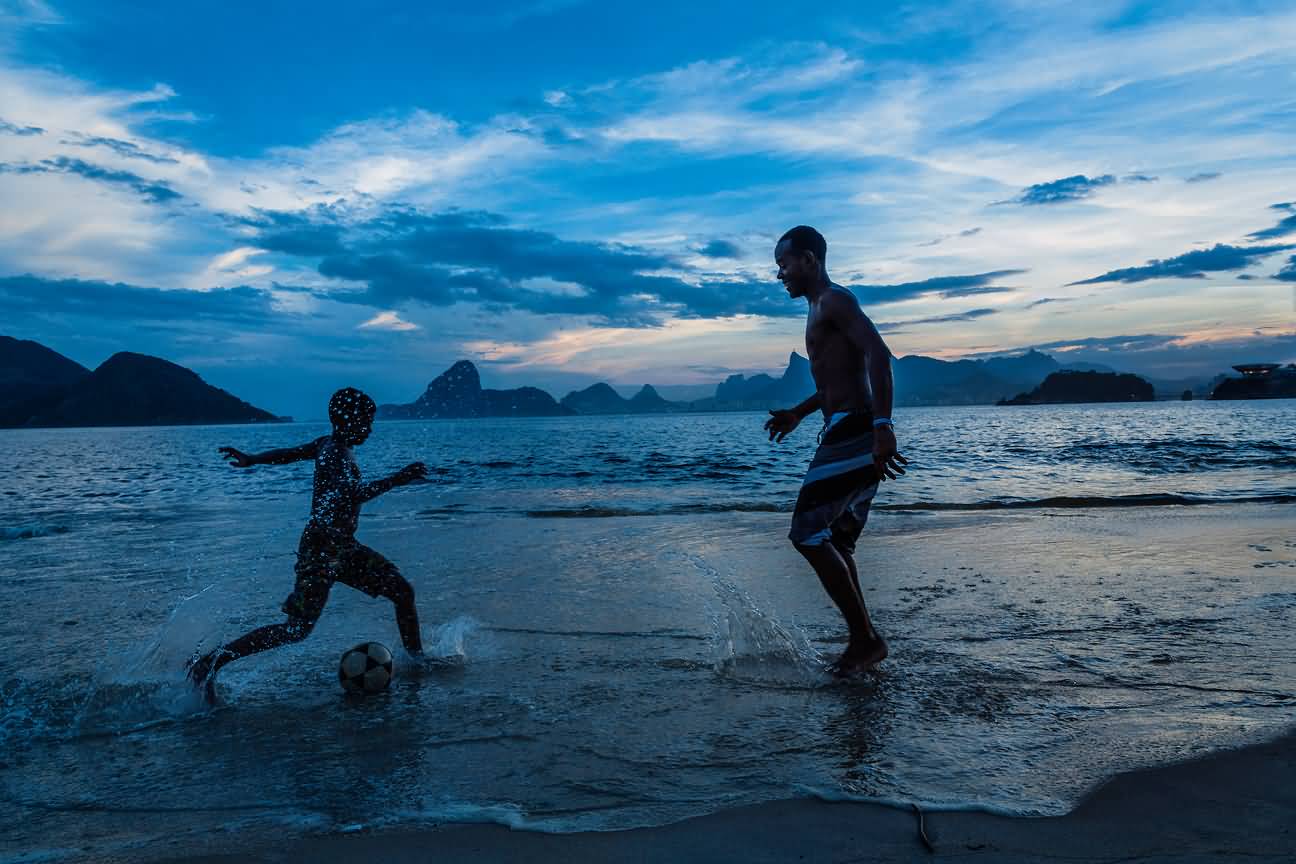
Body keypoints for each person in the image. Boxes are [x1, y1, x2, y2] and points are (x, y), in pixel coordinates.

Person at [187, 387, 428, 696]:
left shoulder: (328, 444)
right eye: (366, 422)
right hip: (322, 549)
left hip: (340, 545)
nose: (370, 429)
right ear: (347, 422)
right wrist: (398, 478)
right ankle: (210, 663)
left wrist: (254, 458)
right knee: (296, 629)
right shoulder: (336, 454)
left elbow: (289, 453)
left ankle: (417, 661)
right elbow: (351, 496)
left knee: (402, 592)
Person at [764, 226, 907, 676]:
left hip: (858, 431)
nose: (780, 275)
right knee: (838, 540)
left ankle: (865, 639)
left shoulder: (835, 301)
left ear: (808, 259)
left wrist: (883, 426)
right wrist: (800, 413)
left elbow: (878, 356)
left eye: (783, 265)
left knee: (807, 532)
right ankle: (863, 642)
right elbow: (833, 381)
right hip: (845, 427)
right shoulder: (816, 309)